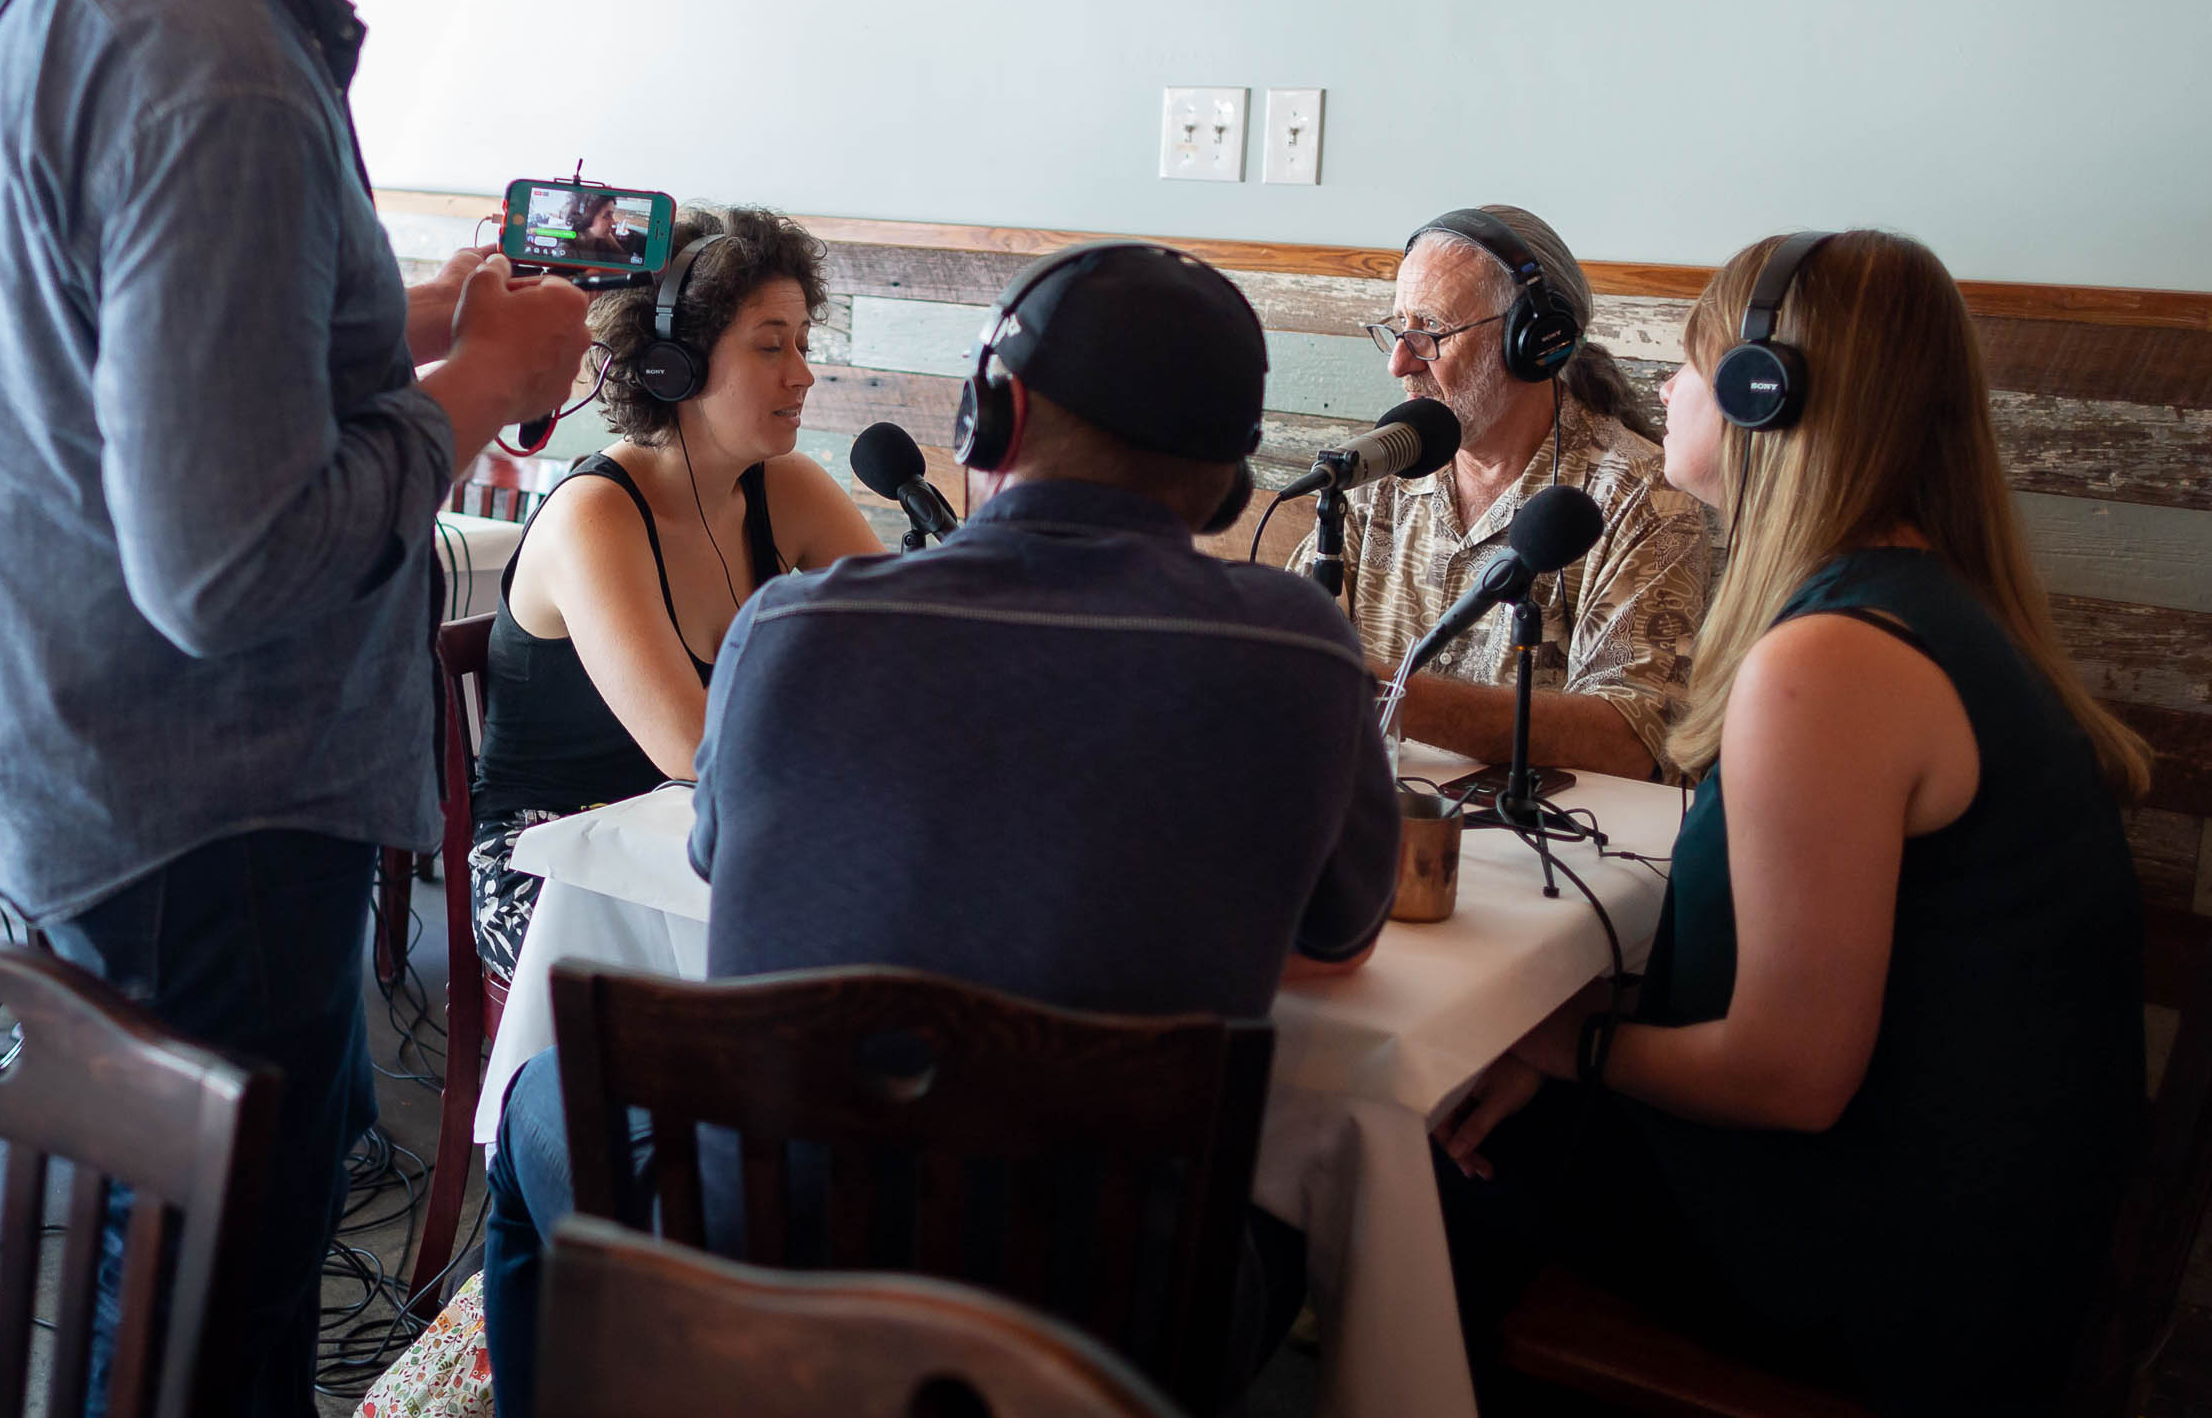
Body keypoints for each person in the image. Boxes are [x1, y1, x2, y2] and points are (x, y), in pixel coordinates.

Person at [0, 0, 590, 1411]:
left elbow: (111, 347)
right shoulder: (227, 71)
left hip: (72, 779)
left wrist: (386, 305)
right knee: (216, 1329)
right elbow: (226, 563)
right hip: (204, 821)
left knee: (148, 1293)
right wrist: (475, 388)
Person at [480, 242, 1405, 1417]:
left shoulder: (788, 632)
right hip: (1100, 1333)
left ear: (986, 416)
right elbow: (1342, 943)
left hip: (764, 1283)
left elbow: (732, 858)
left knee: (531, 1101)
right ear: (1226, 479)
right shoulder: (1302, 650)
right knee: (1298, 1212)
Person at [1430, 230, 2149, 1413]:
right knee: (1506, 1104)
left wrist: (1559, 1046)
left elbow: (1791, 1075)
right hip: (1969, 1232)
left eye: (1696, 358)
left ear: (1769, 397)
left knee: (1435, 1155)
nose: (1665, 381)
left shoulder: (1829, 663)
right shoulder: (1922, 602)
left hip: (1893, 1284)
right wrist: (1568, 1050)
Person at [468, 206, 882, 976]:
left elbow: (910, 644)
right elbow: (690, 751)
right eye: (769, 346)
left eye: (802, 343)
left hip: (714, 834)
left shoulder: (785, 486)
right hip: (551, 863)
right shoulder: (596, 514)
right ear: (673, 367)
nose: (802, 373)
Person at [1311, 203, 1708, 778]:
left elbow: (1634, 737)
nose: (1400, 362)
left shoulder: (1639, 495)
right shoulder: (1380, 468)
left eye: (1430, 331)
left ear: (1536, 342)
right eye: (1398, 328)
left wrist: (1380, 694)